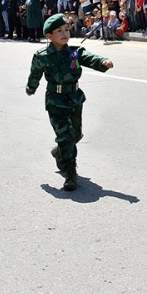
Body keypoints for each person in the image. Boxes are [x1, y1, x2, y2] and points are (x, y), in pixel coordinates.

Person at [26, 13, 114, 191]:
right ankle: (71, 171)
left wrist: (103, 61)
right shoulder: (42, 55)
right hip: (55, 100)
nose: (65, 34)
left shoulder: (74, 52)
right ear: (49, 36)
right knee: (65, 136)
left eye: (66, 30)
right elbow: (35, 73)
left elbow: (89, 57)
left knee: (75, 135)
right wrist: (31, 87)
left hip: (74, 98)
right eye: (59, 31)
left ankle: (59, 152)